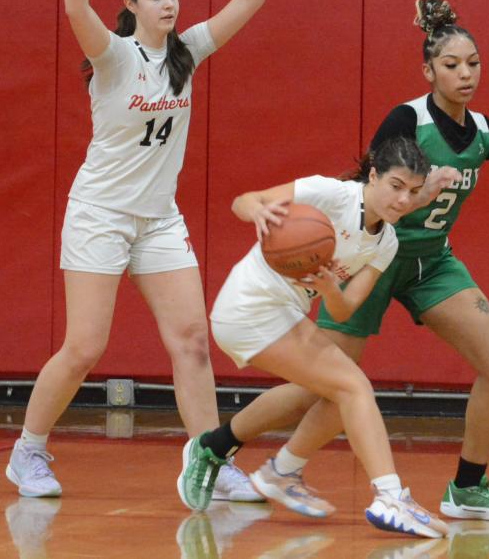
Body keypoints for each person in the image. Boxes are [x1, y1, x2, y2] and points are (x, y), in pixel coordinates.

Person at [225, 0, 489, 524]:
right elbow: (371, 196)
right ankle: (224, 447)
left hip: (432, 262)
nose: (465, 74)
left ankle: (467, 487)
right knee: (324, 382)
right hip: (373, 253)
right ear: (428, 71)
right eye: (452, 65)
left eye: (473, 64)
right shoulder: (406, 119)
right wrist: (418, 198)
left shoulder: (488, 132)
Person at [5, 0, 298, 503]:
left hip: (159, 219)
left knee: (191, 340)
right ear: (132, 5)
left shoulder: (187, 51)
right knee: (84, 347)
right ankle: (28, 450)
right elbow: (74, 6)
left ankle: (209, 462)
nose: (170, 3)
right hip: (100, 214)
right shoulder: (113, 56)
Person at [181, 136, 449, 539]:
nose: (403, 200)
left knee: (334, 393)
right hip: (249, 306)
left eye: (413, 192)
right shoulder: (330, 194)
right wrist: (258, 210)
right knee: (354, 387)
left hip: (285, 311)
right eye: (395, 186)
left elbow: (343, 310)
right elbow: (245, 200)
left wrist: (327, 288)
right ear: (373, 175)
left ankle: (220, 450)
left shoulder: (387, 243)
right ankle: (389, 497)